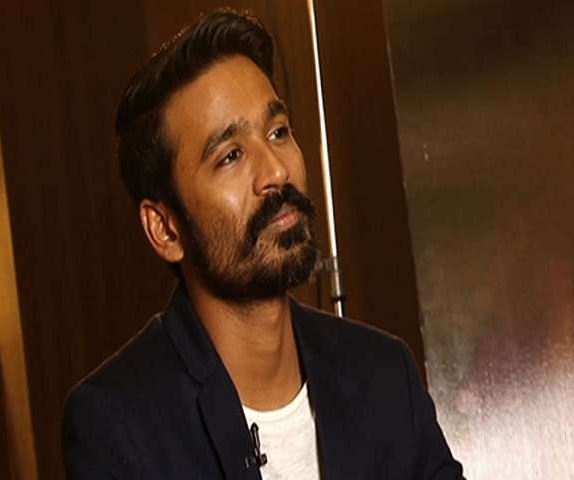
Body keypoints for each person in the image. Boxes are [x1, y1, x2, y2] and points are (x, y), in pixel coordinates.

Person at [62, 9, 464, 479]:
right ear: (166, 229)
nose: (275, 170)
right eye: (230, 156)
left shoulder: (383, 374)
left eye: (278, 132)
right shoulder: (117, 424)